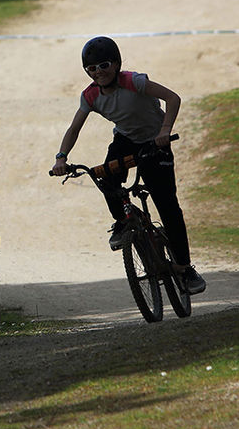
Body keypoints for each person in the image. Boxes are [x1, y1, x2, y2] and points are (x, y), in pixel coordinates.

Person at [50, 36, 206, 294]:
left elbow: (172, 98)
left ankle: (184, 269)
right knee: (106, 179)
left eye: (104, 65)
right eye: (92, 68)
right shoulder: (90, 96)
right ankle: (124, 221)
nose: (98, 72)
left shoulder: (133, 82)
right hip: (126, 140)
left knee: (167, 206)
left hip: (155, 141)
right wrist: (61, 157)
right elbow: (74, 128)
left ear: (116, 64)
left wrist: (165, 130)